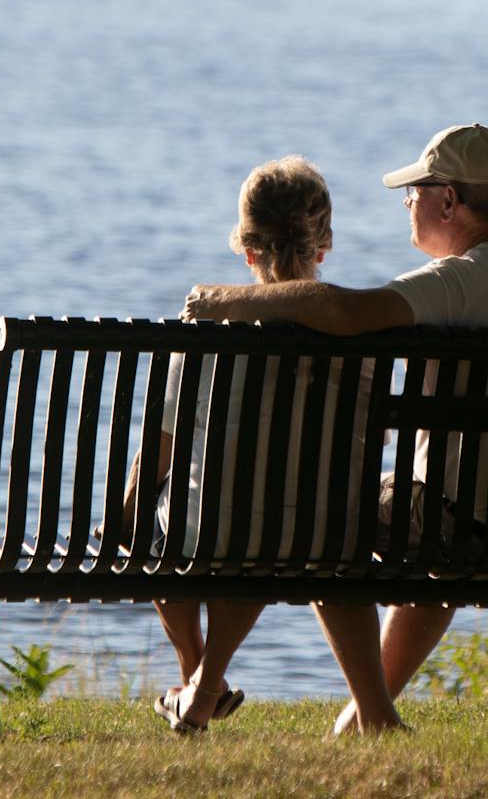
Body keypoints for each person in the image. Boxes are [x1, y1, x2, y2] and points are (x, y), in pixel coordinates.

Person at [183, 123, 488, 735]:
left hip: (475, 528)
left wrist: (220, 299)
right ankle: (364, 713)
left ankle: (366, 711)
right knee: (425, 508)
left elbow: (343, 311)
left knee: (326, 516)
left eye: (414, 191)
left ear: (449, 200)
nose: (407, 203)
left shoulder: (456, 283)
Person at [130, 155, 336, 733]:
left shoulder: (208, 328)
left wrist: (124, 514)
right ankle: (203, 682)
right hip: (319, 530)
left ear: (247, 251)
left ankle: (199, 681)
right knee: (257, 529)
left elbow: (159, 450)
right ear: (324, 245)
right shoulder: (352, 326)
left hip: (214, 530)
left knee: (161, 524)